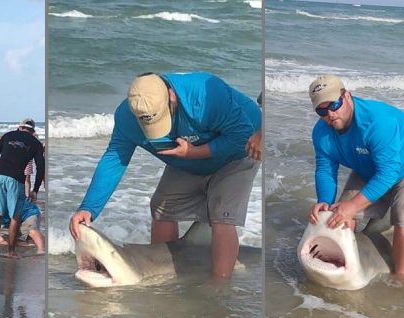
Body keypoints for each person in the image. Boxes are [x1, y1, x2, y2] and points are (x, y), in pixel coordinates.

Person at [69, 72, 262, 279]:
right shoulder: (127, 116)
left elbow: (242, 135)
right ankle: (161, 274)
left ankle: (219, 287)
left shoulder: (205, 94)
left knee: (221, 217)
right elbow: (115, 158)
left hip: (240, 150)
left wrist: (194, 152)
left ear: (171, 95)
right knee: (162, 208)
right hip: (187, 158)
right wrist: (88, 207)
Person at [307, 75, 404, 275]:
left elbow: (388, 173)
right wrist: (324, 200)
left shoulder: (376, 123)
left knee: (402, 220)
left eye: (334, 104)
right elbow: (325, 168)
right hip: (369, 164)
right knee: (338, 215)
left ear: (347, 96)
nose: (330, 114)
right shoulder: (321, 133)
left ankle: (401, 278)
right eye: (321, 110)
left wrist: (354, 205)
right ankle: (350, 267)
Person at [0, 118, 45, 256]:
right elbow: (40, 167)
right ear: (32, 131)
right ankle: (11, 252)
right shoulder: (35, 143)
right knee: (15, 216)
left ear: (20, 127)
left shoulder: (8, 135)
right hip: (16, 178)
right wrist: (35, 189)